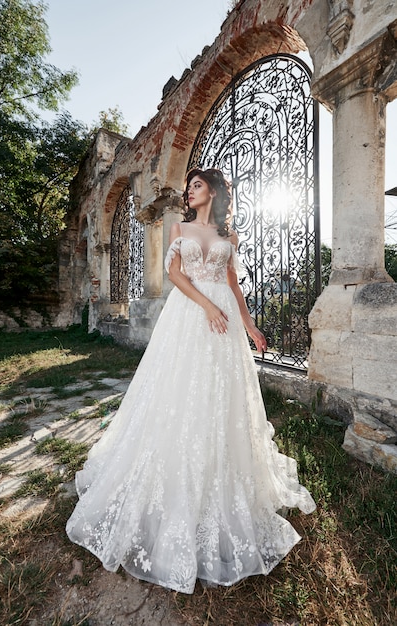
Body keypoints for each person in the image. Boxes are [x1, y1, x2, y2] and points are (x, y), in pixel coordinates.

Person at [66, 167, 316, 594]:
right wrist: (207, 308)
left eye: (197, 186)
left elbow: (234, 286)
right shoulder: (179, 227)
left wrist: (250, 325)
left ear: (214, 192)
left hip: (223, 320)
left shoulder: (229, 237)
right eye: (189, 187)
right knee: (178, 392)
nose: (190, 191)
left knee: (221, 397)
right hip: (190, 315)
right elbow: (175, 277)